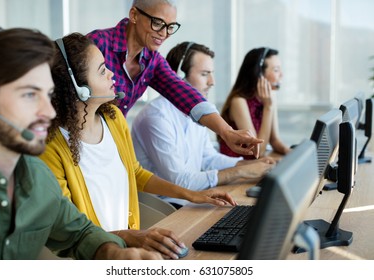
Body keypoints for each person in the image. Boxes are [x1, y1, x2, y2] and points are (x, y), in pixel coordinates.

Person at [39, 32, 236, 259]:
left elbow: (135, 172)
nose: (112, 73)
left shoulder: (113, 117)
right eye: (103, 70)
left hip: (124, 251)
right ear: (77, 86)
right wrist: (131, 236)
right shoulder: (51, 146)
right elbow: (73, 233)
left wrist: (193, 195)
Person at [0, 26, 161, 260]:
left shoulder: (36, 177)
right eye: (29, 94)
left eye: (47, 95)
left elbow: (79, 234)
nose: (47, 112)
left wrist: (113, 254)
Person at [86, 0, 263, 158]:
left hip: (109, 144)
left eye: (171, 26)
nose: (164, 33)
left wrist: (227, 132)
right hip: (79, 141)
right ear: (134, 15)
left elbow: (183, 92)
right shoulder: (97, 44)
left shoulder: (152, 60)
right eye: (158, 23)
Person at [131, 42, 276, 208]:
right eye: (204, 74)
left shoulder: (199, 112)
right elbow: (180, 181)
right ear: (178, 76)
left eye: (211, 74)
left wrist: (247, 164)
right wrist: (240, 172)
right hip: (165, 207)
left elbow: (208, 158)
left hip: (190, 200)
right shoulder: (155, 117)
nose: (212, 82)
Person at [219, 47, 291, 159]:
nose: (281, 75)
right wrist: (268, 107)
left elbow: (274, 140)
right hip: (237, 167)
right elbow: (258, 151)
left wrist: (290, 152)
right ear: (259, 75)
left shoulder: (270, 97)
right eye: (276, 70)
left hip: (253, 165)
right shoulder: (238, 102)